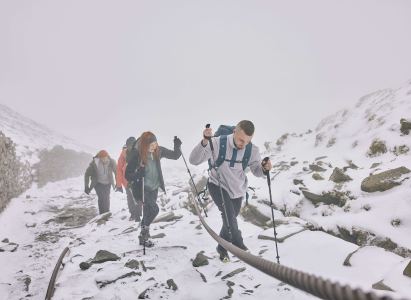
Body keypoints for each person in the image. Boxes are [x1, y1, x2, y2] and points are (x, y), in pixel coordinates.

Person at [189, 120, 272, 262]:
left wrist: (264, 169)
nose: (243, 144)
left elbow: (257, 171)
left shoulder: (252, 149)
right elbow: (193, 160)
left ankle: (221, 248)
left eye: (247, 141)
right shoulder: (216, 143)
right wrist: (204, 142)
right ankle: (238, 242)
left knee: (230, 220)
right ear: (234, 132)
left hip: (238, 190)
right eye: (241, 140)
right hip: (217, 185)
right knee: (228, 214)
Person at [125, 132, 182, 247]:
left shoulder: (158, 151)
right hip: (142, 188)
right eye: (150, 144)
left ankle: (143, 237)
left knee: (147, 213)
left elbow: (175, 156)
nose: (153, 147)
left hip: (154, 187)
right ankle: (144, 232)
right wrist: (139, 174)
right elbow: (128, 175)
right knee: (154, 210)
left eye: (155, 144)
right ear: (144, 144)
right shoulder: (137, 155)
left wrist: (177, 146)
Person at [116, 137, 143, 222]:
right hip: (129, 180)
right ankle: (134, 215)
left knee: (135, 198)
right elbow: (119, 170)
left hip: (134, 180)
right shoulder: (123, 155)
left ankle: (136, 215)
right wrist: (119, 185)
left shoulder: (139, 152)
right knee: (134, 198)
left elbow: (119, 170)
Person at [84, 150, 117, 214]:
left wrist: (118, 183)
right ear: (99, 158)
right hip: (98, 183)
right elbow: (87, 174)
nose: (105, 160)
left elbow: (116, 172)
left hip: (107, 183)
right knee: (101, 198)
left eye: (106, 158)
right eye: (103, 159)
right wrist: (86, 186)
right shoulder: (95, 164)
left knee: (107, 197)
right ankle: (102, 214)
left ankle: (107, 213)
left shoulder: (111, 162)